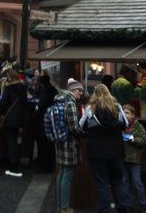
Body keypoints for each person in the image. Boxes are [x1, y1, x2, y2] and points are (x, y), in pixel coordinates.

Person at [79, 83, 129, 213]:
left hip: (97, 151)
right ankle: (123, 207)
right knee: (118, 180)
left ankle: (104, 210)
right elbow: (125, 124)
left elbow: (82, 126)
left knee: (102, 183)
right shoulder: (116, 107)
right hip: (116, 150)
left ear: (95, 94)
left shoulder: (90, 108)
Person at [54, 80, 84, 212]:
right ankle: (65, 207)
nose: (81, 93)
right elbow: (74, 128)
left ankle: (60, 205)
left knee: (61, 173)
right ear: (72, 90)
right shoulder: (70, 103)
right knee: (68, 175)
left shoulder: (59, 100)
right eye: (79, 90)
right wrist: (84, 132)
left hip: (60, 141)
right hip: (69, 144)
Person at [0, 69, 27, 177]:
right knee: (17, 140)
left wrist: (3, 113)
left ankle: (13, 166)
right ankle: (17, 162)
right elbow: (25, 102)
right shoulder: (22, 88)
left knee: (11, 141)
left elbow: (2, 103)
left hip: (10, 118)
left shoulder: (8, 88)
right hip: (20, 119)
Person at [122, 104, 146, 212]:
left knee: (137, 183)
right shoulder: (120, 125)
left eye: (127, 113)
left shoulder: (138, 126)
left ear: (133, 115)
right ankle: (128, 204)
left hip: (134, 159)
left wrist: (132, 139)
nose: (125, 114)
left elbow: (144, 140)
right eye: (123, 112)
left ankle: (144, 205)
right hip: (123, 159)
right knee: (125, 183)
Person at [34, 73, 57, 174]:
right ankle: (51, 165)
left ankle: (44, 166)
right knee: (50, 145)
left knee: (43, 145)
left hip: (43, 121)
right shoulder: (54, 91)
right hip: (52, 120)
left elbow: (40, 107)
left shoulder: (45, 92)